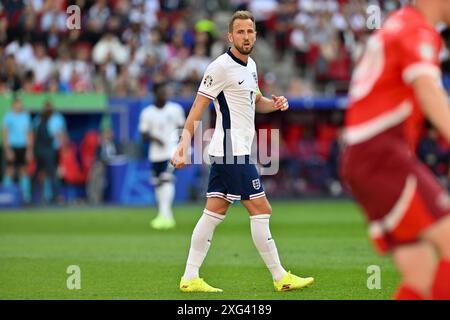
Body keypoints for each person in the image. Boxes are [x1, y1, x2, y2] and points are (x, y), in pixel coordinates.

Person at [171, 11, 314, 293]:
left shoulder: (251, 66)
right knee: (261, 208)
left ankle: (189, 277)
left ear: (256, 35)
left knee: (213, 212)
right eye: (240, 32)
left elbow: (255, 100)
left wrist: (273, 104)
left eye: (250, 31)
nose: (246, 37)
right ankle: (280, 277)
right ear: (230, 36)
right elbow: (198, 108)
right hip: (231, 150)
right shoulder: (219, 67)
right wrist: (183, 144)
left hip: (233, 150)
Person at [340, 1, 450, 300]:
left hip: (367, 156)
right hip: (383, 154)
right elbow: (429, 91)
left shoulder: (397, 24)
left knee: (421, 278)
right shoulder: (417, 30)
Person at [139, 83, 186, 230]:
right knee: (159, 184)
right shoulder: (147, 112)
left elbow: (183, 128)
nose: (164, 95)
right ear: (155, 93)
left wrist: (181, 148)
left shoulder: (175, 109)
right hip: (155, 154)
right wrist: (154, 138)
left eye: (165, 92)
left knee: (167, 180)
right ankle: (162, 215)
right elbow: (144, 133)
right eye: (161, 92)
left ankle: (167, 216)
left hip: (170, 152)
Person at [33, 101, 66, 204]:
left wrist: (63, 146)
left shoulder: (58, 118)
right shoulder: (39, 119)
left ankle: (53, 196)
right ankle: (40, 196)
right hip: (43, 150)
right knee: (41, 173)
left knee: (54, 173)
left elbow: (62, 133)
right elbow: (36, 135)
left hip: (55, 149)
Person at [2, 97, 33, 204]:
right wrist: (7, 149)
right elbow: (5, 134)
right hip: (12, 146)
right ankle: (6, 196)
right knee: (9, 171)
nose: (18, 106)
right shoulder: (8, 117)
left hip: (23, 147)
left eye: (20, 104)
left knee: (24, 171)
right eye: (17, 104)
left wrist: (29, 150)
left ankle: (26, 198)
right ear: (13, 105)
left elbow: (29, 133)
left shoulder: (25, 117)